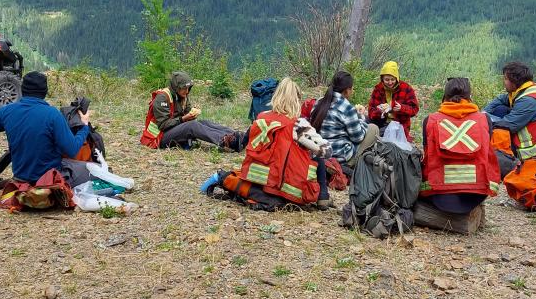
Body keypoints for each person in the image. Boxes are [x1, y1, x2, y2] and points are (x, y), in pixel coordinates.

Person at [202, 77, 326, 209]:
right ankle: (323, 197)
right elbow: (325, 150)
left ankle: (220, 179)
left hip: (256, 178)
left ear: (276, 96)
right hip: (282, 185)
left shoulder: (261, 117)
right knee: (319, 157)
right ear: (297, 100)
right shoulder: (298, 125)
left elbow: (244, 141)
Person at [0, 71, 93, 186]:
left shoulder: (6, 111)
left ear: (22, 90)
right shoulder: (53, 114)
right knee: (96, 171)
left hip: (21, 178)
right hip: (50, 179)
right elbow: (72, 150)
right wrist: (84, 127)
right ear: (44, 92)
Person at [417, 77, 501, 217]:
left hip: (439, 196)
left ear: (445, 96)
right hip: (476, 195)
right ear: (469, 97)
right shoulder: (484, 120)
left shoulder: (430, 120)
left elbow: (426, 156)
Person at [483, 61, 536, 163]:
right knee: (499, 109)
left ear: (514, 81)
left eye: (505, 78)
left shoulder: (528, 101)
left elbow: (508, 125)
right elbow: (501, 99)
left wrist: (481, 121)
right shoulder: (525, 90)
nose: (503, 81)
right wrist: (483, 113)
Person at [139, 71, 243, 151]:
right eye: (184, 88)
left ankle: (235, 135)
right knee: (192, 126)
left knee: (203, 122)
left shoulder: (182, 96)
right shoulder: (163, 97)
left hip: (172, 130)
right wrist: (183, 119)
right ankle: (227, 142)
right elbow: (163, 125)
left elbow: (186, 115)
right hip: (158, 137)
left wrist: (191, 114)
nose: (187, 91)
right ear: (176, 87)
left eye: (189, 88)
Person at [309, 70, 378, 168]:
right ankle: (352, 166)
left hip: (317, 154)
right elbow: (358, 138)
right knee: (373, 128)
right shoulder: (346, 107)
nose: (352, 91)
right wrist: (361, 119)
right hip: (338, 158)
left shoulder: (319, 102)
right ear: (347, 90)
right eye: (352, 88)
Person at [367, 61, 419, 139]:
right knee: (364, 123)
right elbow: (371, 111)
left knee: (375, 135)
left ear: (397, 78)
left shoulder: (406, 88)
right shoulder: (378, 89)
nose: (390, 82)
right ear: (382, 79)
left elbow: (414, 109)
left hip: (399, 125)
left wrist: (401, 108)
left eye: (393, 79)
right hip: (380, 122)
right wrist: (381, 111)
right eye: (387, 80)